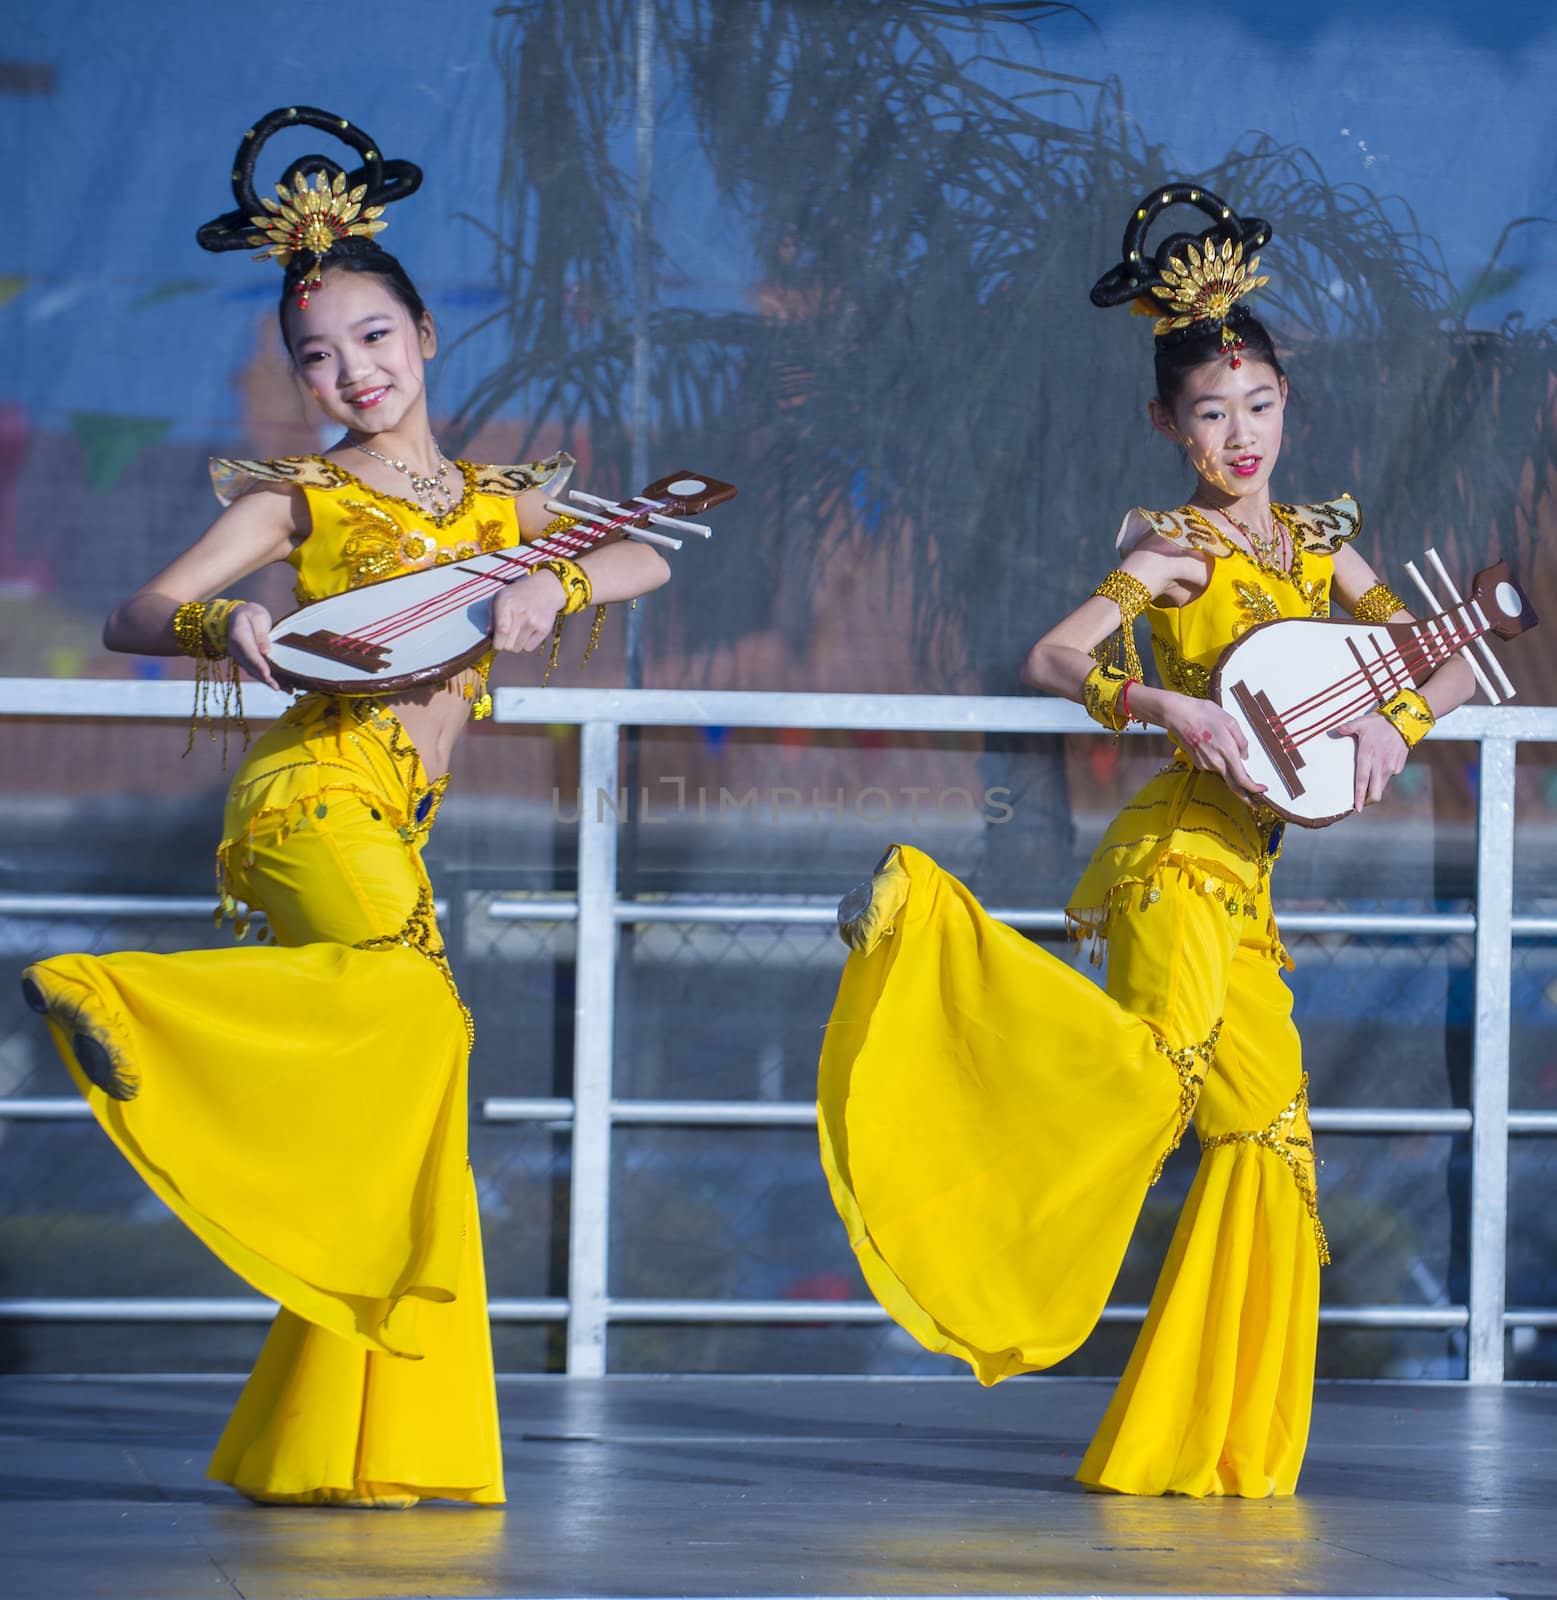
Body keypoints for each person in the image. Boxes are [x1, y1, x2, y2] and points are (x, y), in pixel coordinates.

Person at [20, 107, 670, 1508]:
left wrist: (545, 584)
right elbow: (137, 605)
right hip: (309, 795)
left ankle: (345, 1447)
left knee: (414, 1100)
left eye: (372, 338)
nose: (347, 372)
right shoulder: (303, 502)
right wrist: (225, 631)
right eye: (314, 355)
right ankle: (127, 1000)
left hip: (397, 821)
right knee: (420, 1017)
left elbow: (644, 565)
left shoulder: (501, 502)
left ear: (426, 338)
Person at [817, 183, 1476, 1497]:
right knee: (1149, 1073)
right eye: (1208, 413)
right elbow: (1053, 654)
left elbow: (1442, 655)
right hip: (1174, 855)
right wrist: (1157, 696)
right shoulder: (1167, 546)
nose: (1237, 434)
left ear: (1289, 401)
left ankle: (1209, 1448)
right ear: (1166, 423)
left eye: (1258, 405)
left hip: (1251, 881)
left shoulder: (1321, 546)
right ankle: (919, 924)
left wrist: (1394, 725)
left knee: (1267, 1136)